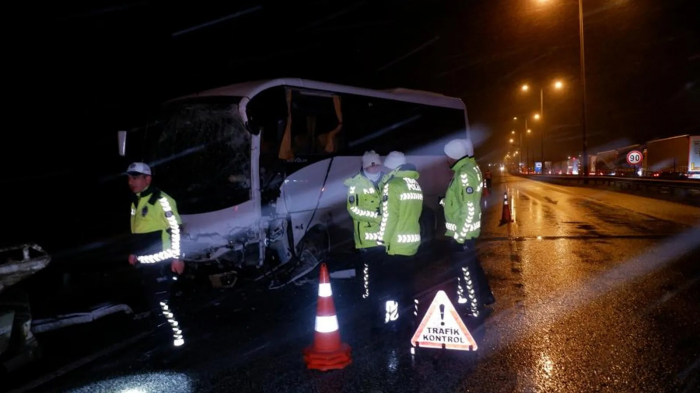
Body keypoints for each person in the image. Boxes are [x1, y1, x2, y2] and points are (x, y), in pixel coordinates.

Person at [125, 162, 186, 347]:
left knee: (162, 306)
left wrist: (177, 258)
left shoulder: (161, 200)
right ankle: (163, 338)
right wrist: (135, 252)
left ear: (147, 179)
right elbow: (138, 229)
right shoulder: (136, 200)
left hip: (162, 262)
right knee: (155, 305)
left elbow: (175, 230)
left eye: (135, 178)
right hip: (145, 263)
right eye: (129, 178)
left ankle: (176, 343)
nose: (130, 182)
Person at [442, 139, 495, 319]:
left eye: (447, 155)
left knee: (466, 273)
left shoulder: (464, 174)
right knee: (472, 268)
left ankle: (474, 310)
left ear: (454, 156)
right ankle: (485, 297)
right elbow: (460, 202)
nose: (446, 159)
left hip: (463, 234)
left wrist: (460, 237)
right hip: (463, 232)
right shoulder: (465, 171)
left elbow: (469, 208)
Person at [374, 151, 423, 331]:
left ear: (392, 167)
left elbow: (389, 217)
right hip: (411, 243)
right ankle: (410, 318)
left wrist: (381, 241)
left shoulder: (393, 185)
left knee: (392, 288)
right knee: (408, 285)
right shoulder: (414, 184)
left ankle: (394, 323)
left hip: (395, 245)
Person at [344, 151, 385, 302]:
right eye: (371, 165)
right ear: (364, 166)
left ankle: (380, 296)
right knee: (367, 274)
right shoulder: (355, 184)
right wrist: (377, 218)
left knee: (382, 274)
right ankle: (367, 300)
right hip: (367, 239)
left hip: (384, 238)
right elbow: (353, 210)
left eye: (377, 165)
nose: (375, 168)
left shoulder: (386, 180)